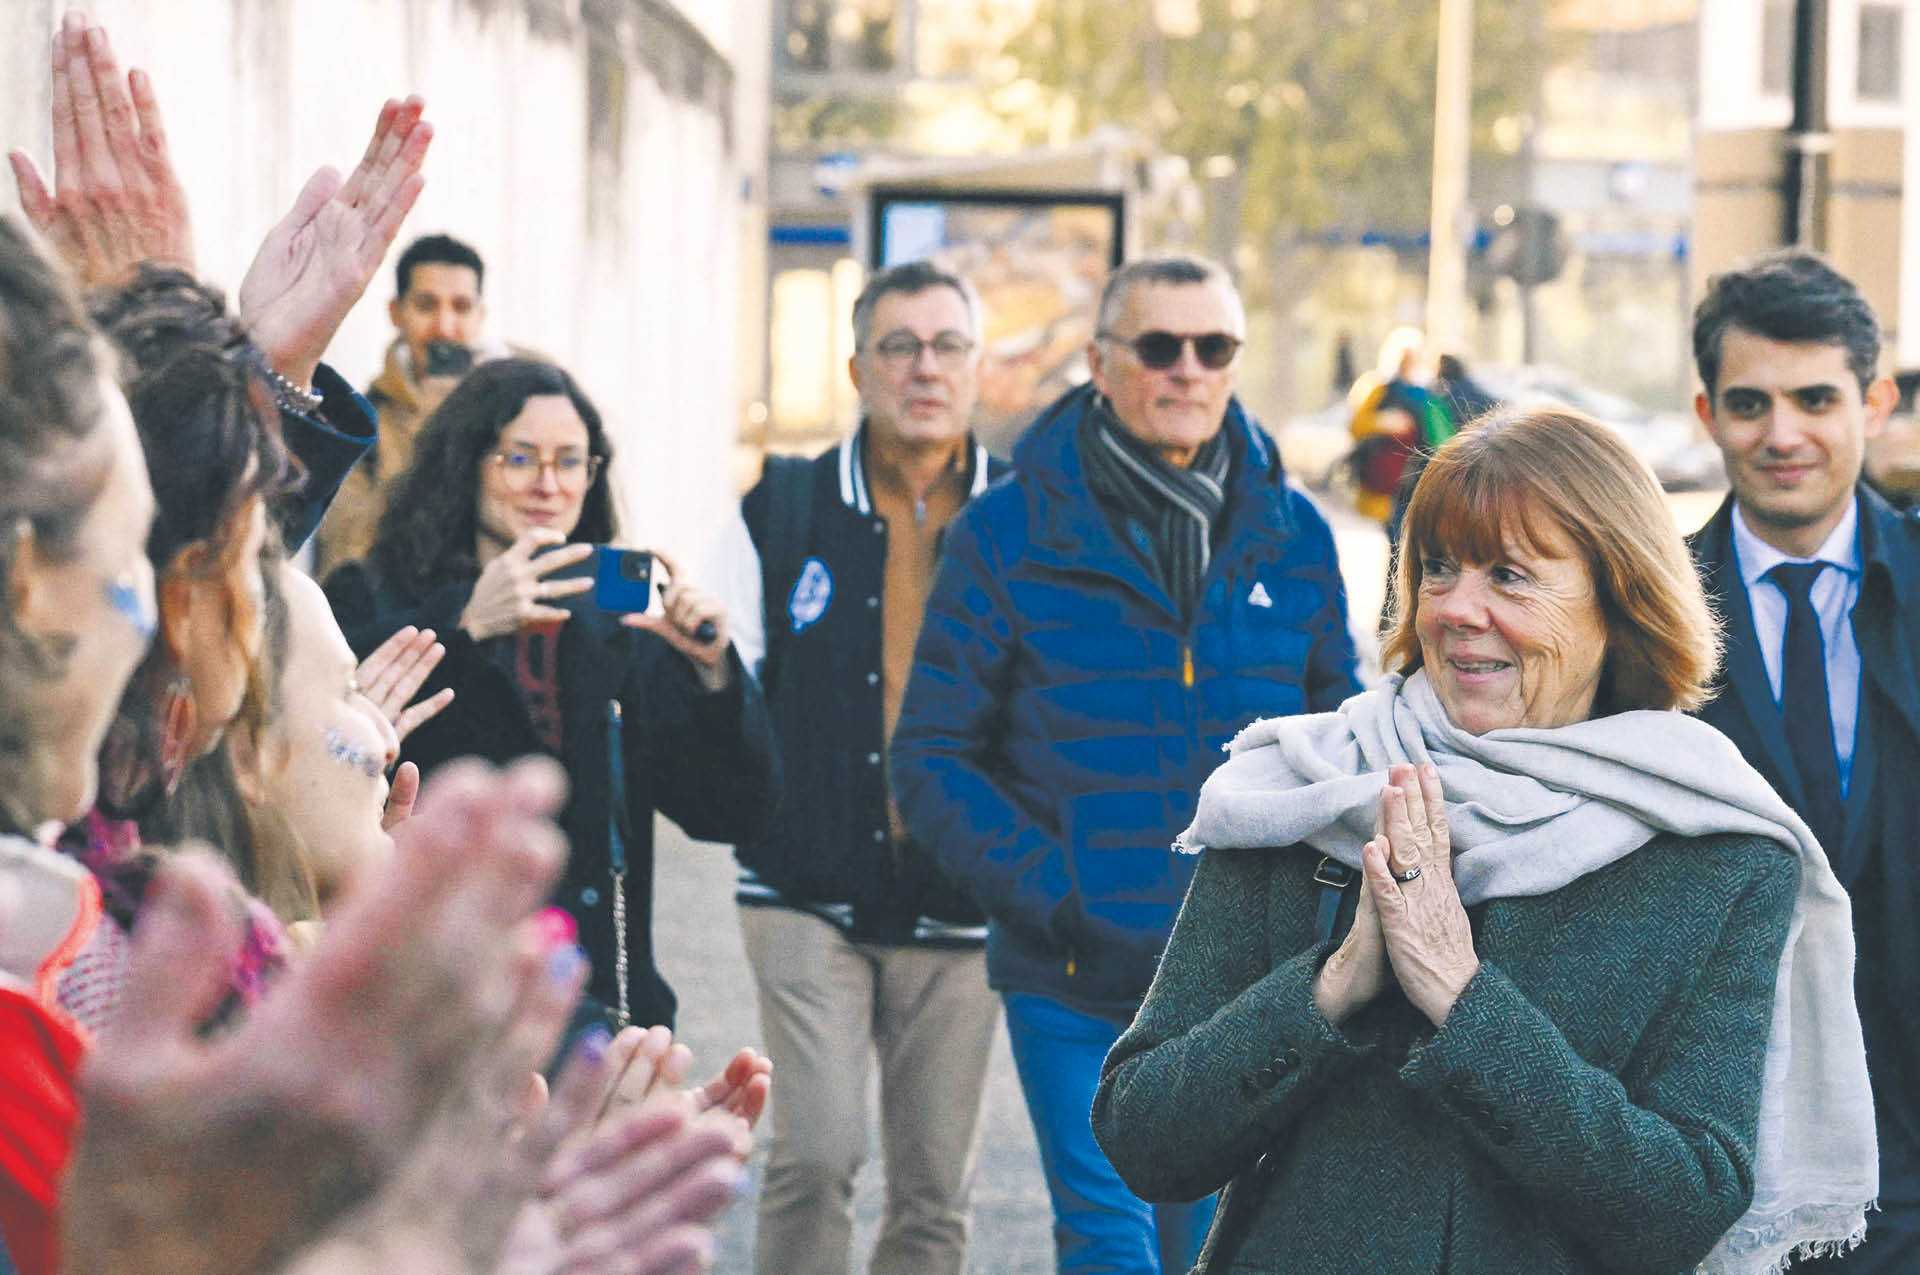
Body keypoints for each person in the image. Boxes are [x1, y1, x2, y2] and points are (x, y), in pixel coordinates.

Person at [1093, 407, 1877, 1274]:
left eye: (1510, 575)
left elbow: (1684, 1206)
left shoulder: (1719, 848)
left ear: (1621, 596)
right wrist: (1329, 990)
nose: (1458, 608)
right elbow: (1145, 1139)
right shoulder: (1308, 791)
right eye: (1438, 568)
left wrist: (1465, 1005)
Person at [892, 254, 1360, 1274]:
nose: (1186, 370)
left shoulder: (1295, 535)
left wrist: (1318, 921)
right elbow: (929, 759)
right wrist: (1061, 895)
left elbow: (1348, 744)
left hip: (1244, 981)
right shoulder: (1007, 533)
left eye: (1213, 348)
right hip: (1076, 979)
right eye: (1159, 346)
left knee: (1215, 1250)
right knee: (1109, 1243)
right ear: (1102, 364)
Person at [326, 357, 780, 1035]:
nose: (547, 484)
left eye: (570, 461)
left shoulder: (617, 624)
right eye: (520, 458)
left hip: (598, 1005)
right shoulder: (375, 594)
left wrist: (713, 671)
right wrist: (464, 626)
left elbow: (733, 808)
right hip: (430, 1005)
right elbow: (327, 756)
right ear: (466, 463)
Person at [711, 261, 1007, 1275]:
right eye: (900, 346)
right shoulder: (785, 507)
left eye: (947, 346)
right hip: (804, 892)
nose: (925, 368)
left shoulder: (1032, 515)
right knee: (818, 1153)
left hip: (965, 904)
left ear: (977, 368)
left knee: (934, 1191)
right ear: (857, 367)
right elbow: (729, 677)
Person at [1687, 249, 1920, 1271]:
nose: (1783, 435)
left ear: (1872, 400)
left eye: (1815, 399)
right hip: (1726, 1152)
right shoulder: (1643, 622)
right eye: (1750, 403)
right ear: (1706, 415)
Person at [312, 232, 507, 576]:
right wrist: (429, 430)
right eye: (426, 306)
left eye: (461, 307)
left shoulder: (522, 407)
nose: (444, 328)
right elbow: (342, 559)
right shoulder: (357, 424)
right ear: (396, 312)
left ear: (481, 315)